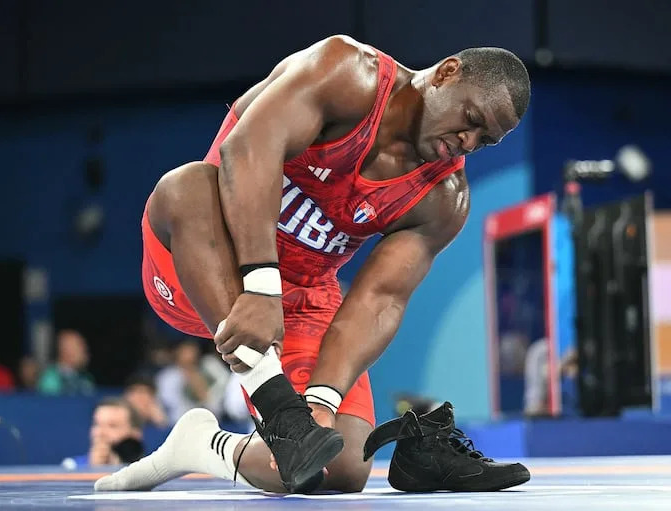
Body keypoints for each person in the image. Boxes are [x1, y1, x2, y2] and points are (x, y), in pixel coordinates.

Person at [96, 35, 531, 494]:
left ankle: (200, 444)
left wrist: (324, 397)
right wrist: (260, 283)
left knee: (337, 468)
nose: (467, 142)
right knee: (187, 185)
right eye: (471, 120)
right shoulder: (347, 74)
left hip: (301, 296)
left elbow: (380, 300)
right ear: (446, 73)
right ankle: (278, 405)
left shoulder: (444, 198)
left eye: (484, 141)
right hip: (201, 263)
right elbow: (244, 150)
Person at [62, 397, 145, 469]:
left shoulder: (149, 472)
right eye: (96, 424)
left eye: (112, 426)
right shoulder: (70, 466)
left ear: (135, 434)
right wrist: (92, 469)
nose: (101, 433)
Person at [37, 329, 95, 396]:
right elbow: (49, 404)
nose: (85, 351)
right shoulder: (50, 379)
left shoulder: (86, 378)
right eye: (79, 346)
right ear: (66, 350)